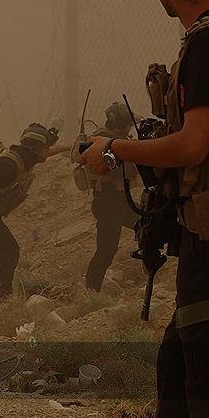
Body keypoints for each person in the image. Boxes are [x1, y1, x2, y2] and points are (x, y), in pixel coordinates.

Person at [79, 0, 209, 418]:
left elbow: (193, 146)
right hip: (204, 240)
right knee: (177, 375)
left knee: (203, 389)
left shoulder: (207, 45)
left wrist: (116, 150)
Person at [0, 123, 69, 301]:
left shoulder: (26, 158)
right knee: (4, 251)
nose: (46, 152)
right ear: (35, 149)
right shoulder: (8, 165)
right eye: (44, 148)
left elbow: (48, 152)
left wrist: (70, 145)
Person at [82, 102, 140, 292]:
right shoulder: (103, 143)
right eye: (128, 124)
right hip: (108, 203)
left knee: (146, 226)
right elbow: (124, 170)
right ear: (121, 124)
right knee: (106, 250)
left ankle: (149, 270)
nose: (129, 129)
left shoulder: (112, 141)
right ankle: (91, 290)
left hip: (121, 201)